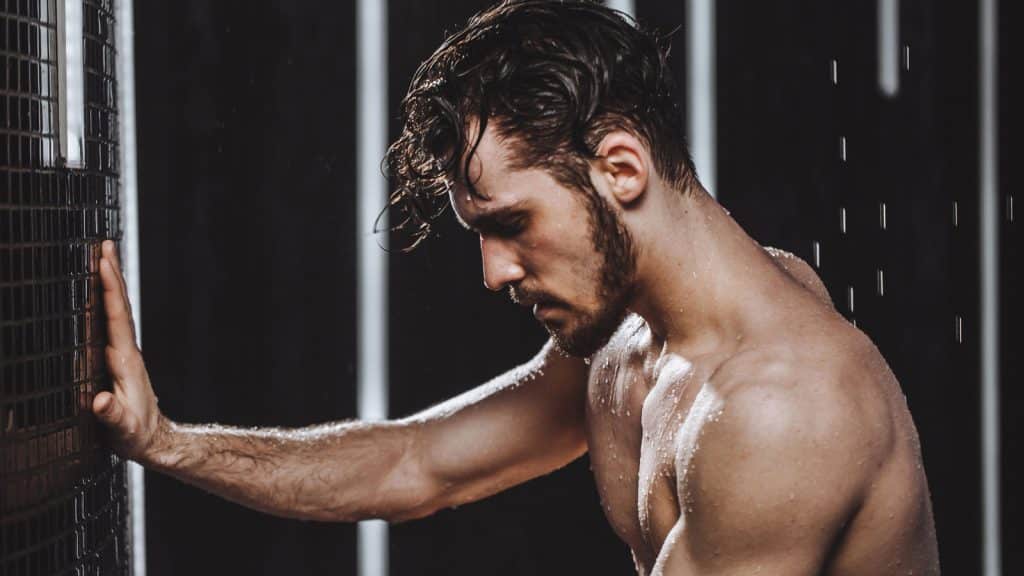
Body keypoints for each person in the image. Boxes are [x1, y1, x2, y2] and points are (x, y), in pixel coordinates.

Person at [92, 1, 940, 574]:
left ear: (619, 167)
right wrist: (166, 442)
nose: (495, 272)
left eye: (509, 225)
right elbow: (418, 464)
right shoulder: (635, 336)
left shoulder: (780, 407)